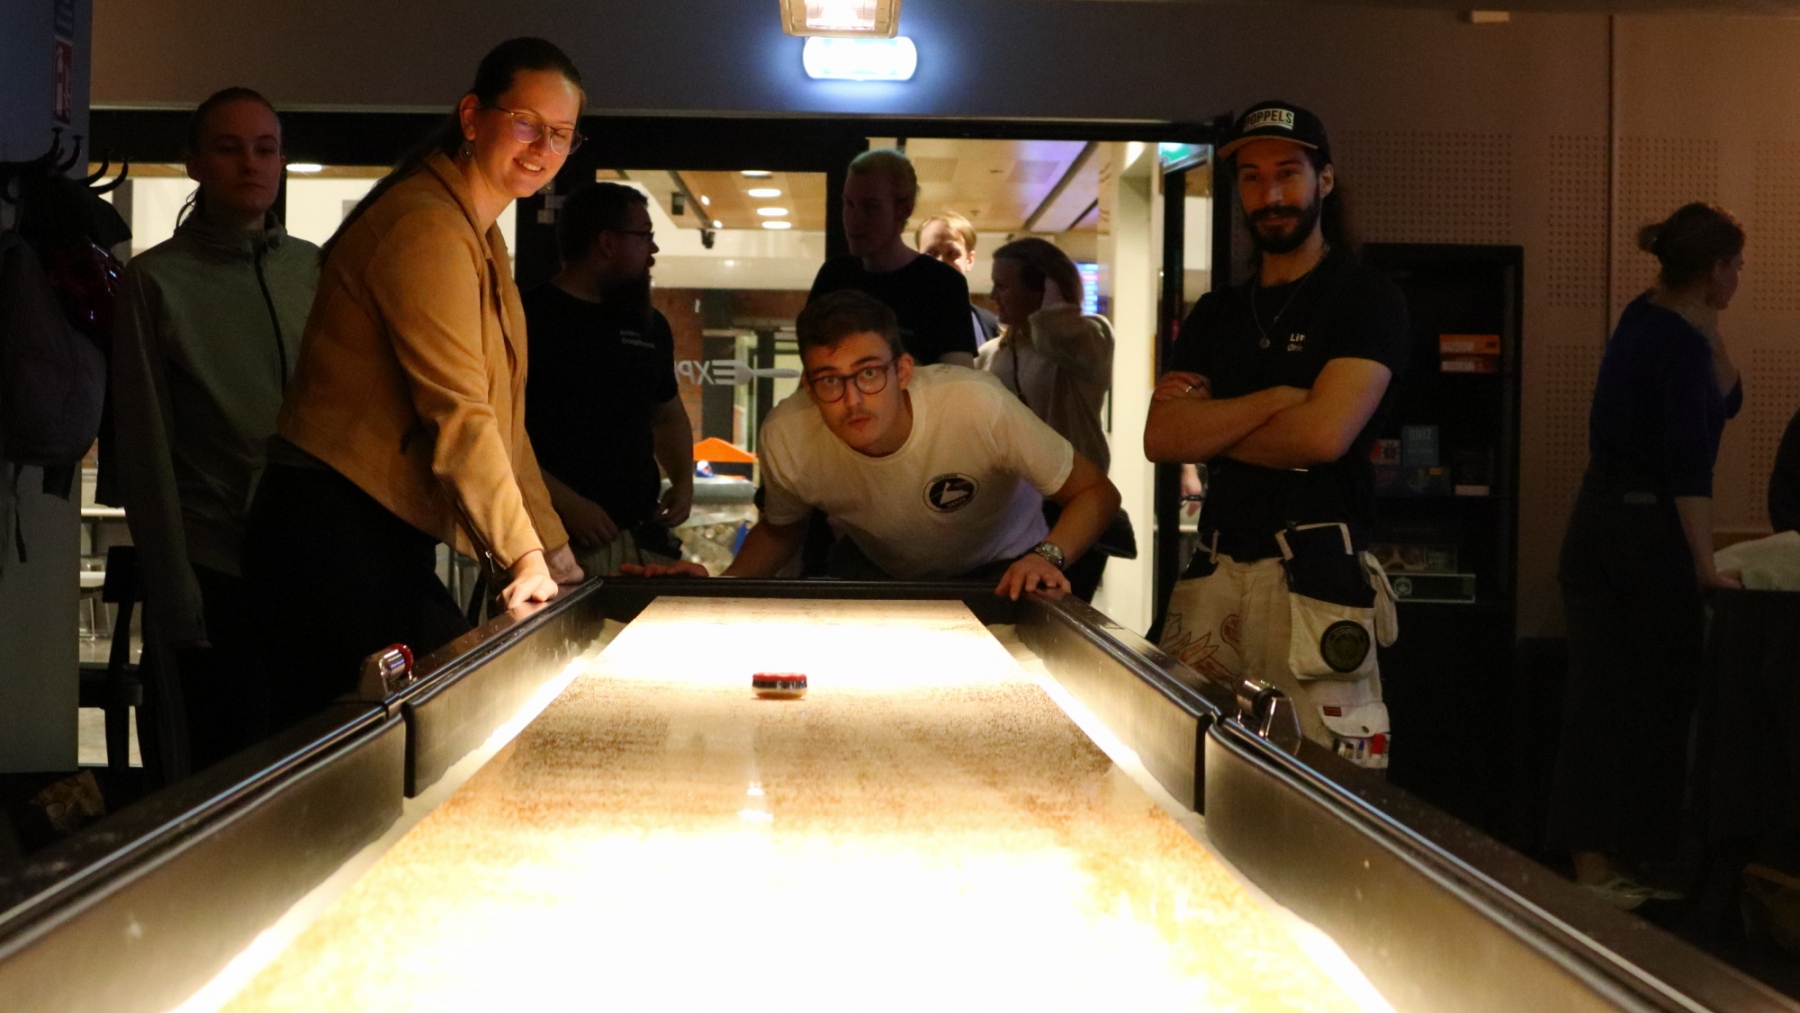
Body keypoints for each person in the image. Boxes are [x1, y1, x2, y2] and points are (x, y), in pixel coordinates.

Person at [244, 38, 584, 730]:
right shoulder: (427, 226)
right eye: (526, 122)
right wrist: (524, 555)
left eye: (561, 133)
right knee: (353, 750)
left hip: (373, 533)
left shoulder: (478, 234)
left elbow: (502, 422)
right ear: (472, 117)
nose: (542, 147)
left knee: (429, 726)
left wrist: (551, 551)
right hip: (328, 530)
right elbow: (459, 413)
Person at [1144, 101, 1408, 769]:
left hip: (1317, 575)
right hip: (1214, 569)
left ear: (1325, 180)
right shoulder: (1218, 311)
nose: (1271, 194)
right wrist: (1274, 400)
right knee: (1182, 766)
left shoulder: (1364, 296)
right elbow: (1163, 437)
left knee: (1324, 783)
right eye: (1253, 177)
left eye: (1288, 172)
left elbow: (1321, 437)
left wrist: (1212, 425)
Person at [627, 290, 1120, 598]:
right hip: (882, 572)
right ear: (808, 384)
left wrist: (1047, 557)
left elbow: (1096, 493)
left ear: (902, 371)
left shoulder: (975, 403)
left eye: (868, 374)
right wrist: (721, 587)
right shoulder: (788, 435)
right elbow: (781, 530)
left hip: (1005, 567)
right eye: (830, 380)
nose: (853, 399)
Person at [111, 88, 319, 769]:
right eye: (229, 149)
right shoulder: (155, 281)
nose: (250, 164)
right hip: (215, 563)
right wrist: (175, 592)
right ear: (195, 164)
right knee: (220, 770)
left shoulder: (313, 269)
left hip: (311, 562)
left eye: (265, 149)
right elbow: (143, 445)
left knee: (310, 765)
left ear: (282, 161)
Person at [1546, 202, 1745, 909]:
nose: (1739, 278)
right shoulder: (1677, 344)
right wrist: (1705, 566)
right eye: (1735, 266)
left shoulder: (1647, 315)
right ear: (1715, 269)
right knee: (1633, 699)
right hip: (1638, 537)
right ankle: (1602, 864)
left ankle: (1604, 859)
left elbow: (1728, 399)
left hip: (1601, 525)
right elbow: (1689, 469)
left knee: (1607, 694)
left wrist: (1710, 326)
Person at [524, 181, 693, 577]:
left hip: (641, 537)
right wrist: (564, 501)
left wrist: (684, 481)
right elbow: (500, 434)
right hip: (552, 543)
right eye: (645, 235)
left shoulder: (649, 325)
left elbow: (667, 414)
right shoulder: (528, 317)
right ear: (607, 242)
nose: (653, 249)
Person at [977, 237, 1121, 601]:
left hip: (1070, 505)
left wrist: (1054, 299)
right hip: (1010, 512)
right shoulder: (992, 354)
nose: (993, 295)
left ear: (1043, 288)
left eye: (1002, 285)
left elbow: (1061, 336)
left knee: (1059, 612)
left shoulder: (1091, 336)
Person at [808, 150, 978, 368]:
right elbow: (813, 368)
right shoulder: (834, 275)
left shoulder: (943, 284)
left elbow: (959, 379)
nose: (854, 219)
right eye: (848, 204)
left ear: (903, 209)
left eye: (870, 207)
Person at [918, 210, 1000, 347]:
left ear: (969, 260)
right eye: (931, 253)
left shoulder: (989, 324)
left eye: (952, 254)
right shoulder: (897, 320)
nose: (941, 262)